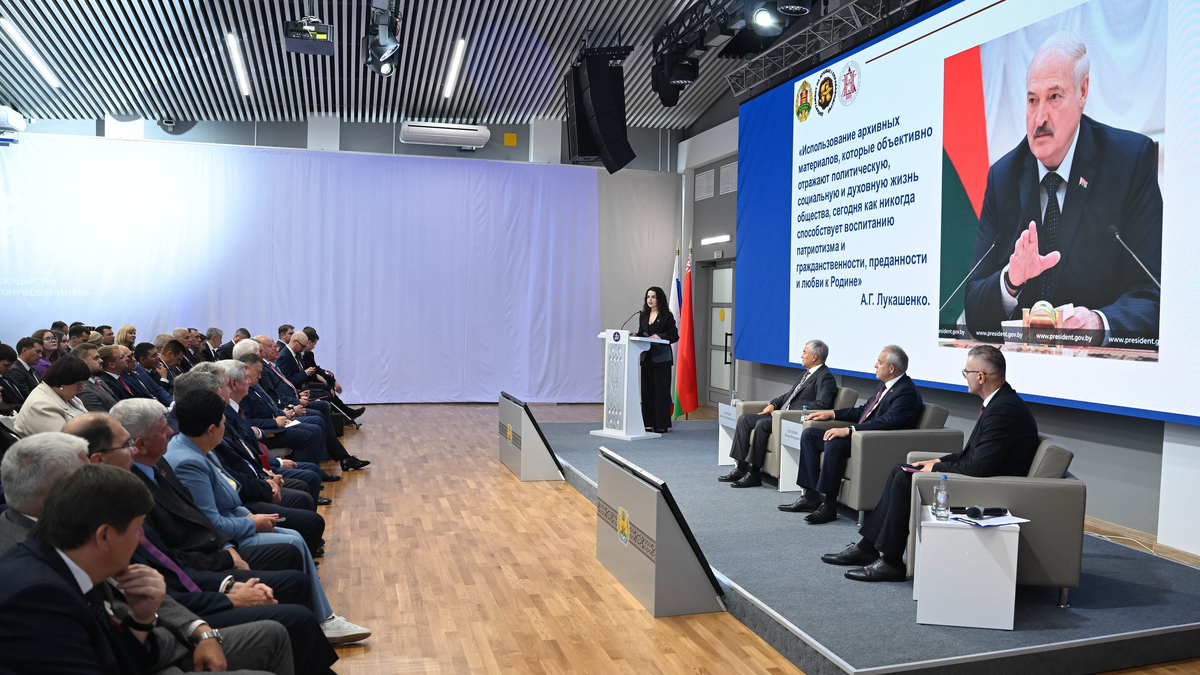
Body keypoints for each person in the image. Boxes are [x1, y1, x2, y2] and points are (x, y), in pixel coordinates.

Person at [0, 462, 296, 674]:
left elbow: (119, 653)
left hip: (155, 651)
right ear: (104, 536)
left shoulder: (69, 559)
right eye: (137, 530)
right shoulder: (36, 596)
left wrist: (141, 621)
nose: (142, 540)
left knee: (272, 635)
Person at [962, 32, 1162, 341]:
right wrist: (1010, 281)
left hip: (1097, 366)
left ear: (1082, 92)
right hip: (1019, 364)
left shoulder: (1128, 162)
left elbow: (1153, 294)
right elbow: (974, 311)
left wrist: (1100, 324)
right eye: (1032, 100)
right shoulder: (1003, 177)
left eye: (1054, 97)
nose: (1039, 118)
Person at [164, 388, 371, 643]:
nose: (225, 426)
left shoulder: (196, 448)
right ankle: (322, 620)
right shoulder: (188, 461)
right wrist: (251, 523)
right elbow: (211, 523)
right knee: (293, 540)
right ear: (211, 429)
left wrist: (250, 516)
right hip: (228, 536)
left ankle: (324, 617)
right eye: (223, 422)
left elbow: (229, 496)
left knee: (294, 536)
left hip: (238, 519)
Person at [822, 345, 1040, 582]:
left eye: (966, 372)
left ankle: (891, 562)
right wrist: (938, 460)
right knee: (899, 471)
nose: (964, 377)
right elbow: (974, 454)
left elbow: (979, 467)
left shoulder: (1003, 410)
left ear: (981, 377)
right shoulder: (999, 403)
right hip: (985, 479)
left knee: (904, 478)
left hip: (992, 489)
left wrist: (935, 468)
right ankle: (868, 548)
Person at [781, 346, 924, 523]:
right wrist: (832, 414)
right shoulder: (885, 386)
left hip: (876, 443)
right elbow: (864, 411)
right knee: (809, 434)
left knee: (834, 442)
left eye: (879, 362)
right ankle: (810, 496)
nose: (875, 365)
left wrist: (850, 430)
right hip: (862, 437)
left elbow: (888, 422)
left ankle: (829, 506)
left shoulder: (906, 392)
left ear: (891, 368)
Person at [719, 340, 837, 488]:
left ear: (814, 357)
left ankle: (754, 473)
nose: (801, 355)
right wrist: (773, 404)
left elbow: (822, 404)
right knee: (744, 419)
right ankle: (741, 467)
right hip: (781, 415)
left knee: (762, 423)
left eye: (804, 352)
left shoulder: (825, 377)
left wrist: (788, 412)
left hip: (792, 419)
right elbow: (789, 395)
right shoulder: (805, 375)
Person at [633, 286, 680, 434]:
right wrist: (635, 335)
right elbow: (643, 333)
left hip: (661, 360)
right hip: (646, 359)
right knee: (647, 392)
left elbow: (674, 336)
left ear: (659, 299)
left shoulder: (667, 316)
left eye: (653, 297)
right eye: (648, 297)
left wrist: (661, 337)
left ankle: (661, 424)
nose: (650, 300)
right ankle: (648, 423)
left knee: (661, 393)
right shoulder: (643, 315)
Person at [13, 354, 91, 436]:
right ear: (65, 381)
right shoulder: (41, 406)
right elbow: (64, 440)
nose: (81, 388)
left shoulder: (65, 395)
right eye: (79, 384)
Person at [0, 343, 26, 415]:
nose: (10, 368)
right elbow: (5, 405)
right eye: (6, 365)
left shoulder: (9, 375)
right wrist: (27, 407)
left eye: (11, 365)